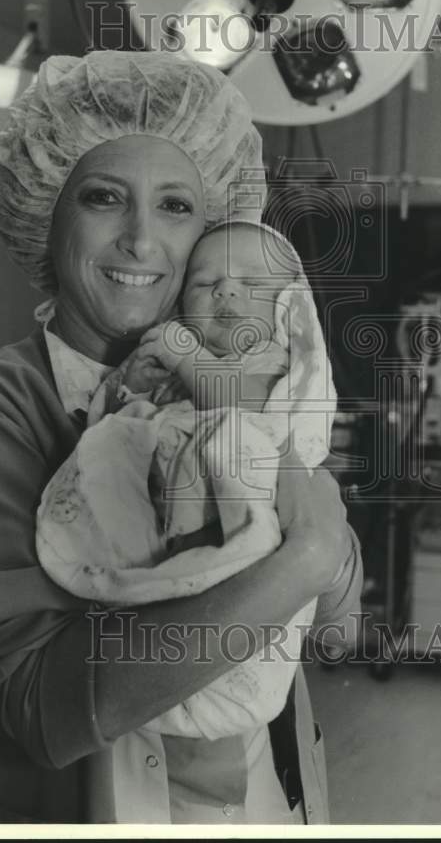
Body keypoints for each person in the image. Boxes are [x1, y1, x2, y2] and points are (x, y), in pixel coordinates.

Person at [0, 50, 362, 825]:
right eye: (103, 197)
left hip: (264, 804)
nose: (141, 240)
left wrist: (303, 515)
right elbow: (37, 707)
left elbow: (334, 629)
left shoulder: (261, 383)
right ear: (45, 217)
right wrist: (310, 551)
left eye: (177, 207)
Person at [35, 219, 338, 741]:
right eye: (203, 282)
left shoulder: (274, 363)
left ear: (289, 307)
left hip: (241, 538)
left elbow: (251, 417)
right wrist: (130, 388)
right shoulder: (177, 365)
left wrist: (185, 357)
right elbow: (112, 427)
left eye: (253, 282)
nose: (226, 290)